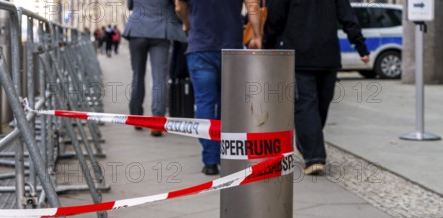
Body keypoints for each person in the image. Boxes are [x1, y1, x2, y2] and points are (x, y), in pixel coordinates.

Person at [263, 0, 370, 175]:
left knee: (320, 107)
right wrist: (268, 46)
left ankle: (306, 143)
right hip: (299, 59)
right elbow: (276, 17)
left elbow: (347, 15)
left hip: (327, 58)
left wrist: (360, 45)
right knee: (306, 105)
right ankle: (315, 157)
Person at [175, 0, 262, 175]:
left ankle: (210, 161)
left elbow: (179, 7)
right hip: (231, 47)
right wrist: (257, 35)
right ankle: (228, 156)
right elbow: (253, 5)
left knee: (204, 103)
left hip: (200, 47)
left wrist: (187, 24)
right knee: (229, 104)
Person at [123, 0, 187, 136]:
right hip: (161, 31)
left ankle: (136, 118)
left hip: (137, 30)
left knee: (137, 75)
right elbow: (179, 5)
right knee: (160, 78)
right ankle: (157, 123)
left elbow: (130, 6)